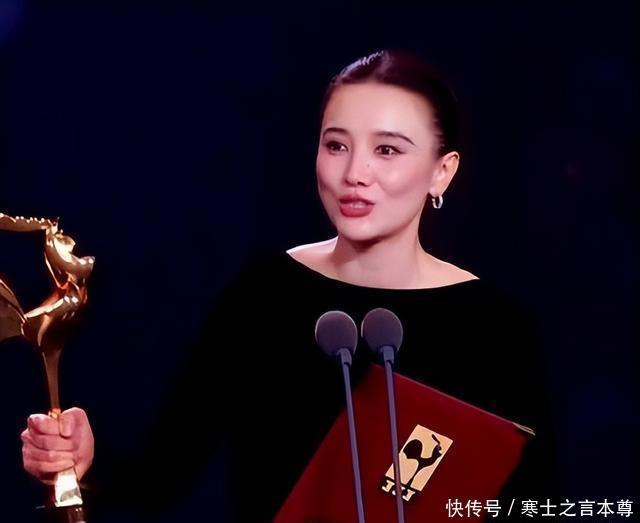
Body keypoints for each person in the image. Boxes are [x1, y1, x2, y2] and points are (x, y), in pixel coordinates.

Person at [20, 49, 557, 521]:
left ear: (442, 171)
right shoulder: (264, 295)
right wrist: (82, 460)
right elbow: (159, 478)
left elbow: (533, 503)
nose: (355, 174)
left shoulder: (495, 328)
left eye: (387, 150)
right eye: (336, 145)